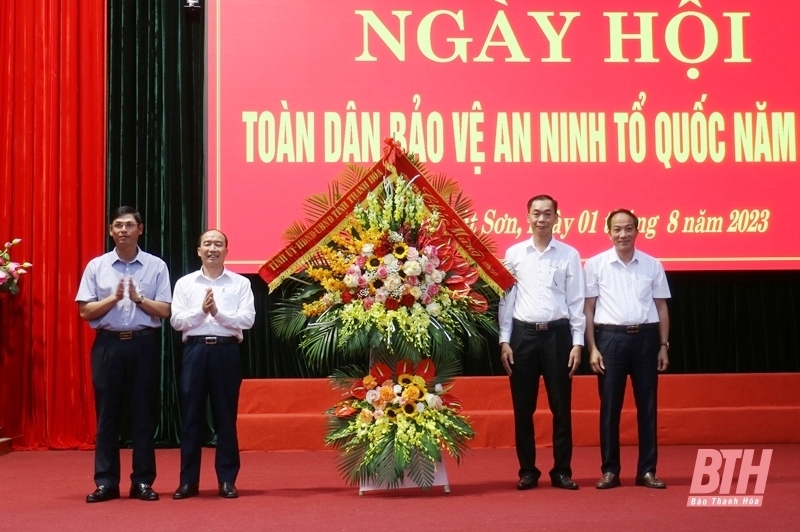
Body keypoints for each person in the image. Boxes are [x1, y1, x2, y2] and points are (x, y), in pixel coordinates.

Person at [76, 206, 172, 503]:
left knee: (143, 413)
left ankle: (142, 481)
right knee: (107, 416)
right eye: (117, 225)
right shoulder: (97, 266)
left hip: (143, 345)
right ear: (110, 230)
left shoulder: (156, 266)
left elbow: (166, 310)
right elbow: (84, 311)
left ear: (140, 229)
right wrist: (114, 298)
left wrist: (139, 299)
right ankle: (106, 482)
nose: (123, 230)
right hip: (108, 345)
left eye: (129, 225)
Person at [498, 195, 585, 491]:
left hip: (558, 336)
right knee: (523, 408)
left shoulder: (569, 254)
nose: (541, 219)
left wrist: (577, 343)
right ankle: (527, 471)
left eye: (548, 214)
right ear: (527, 216)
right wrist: (504, 340)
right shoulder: (514, 253)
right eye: (536, 213)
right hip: (523, 336)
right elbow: (506, 301)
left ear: (556, 218)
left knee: (561, 407)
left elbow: (576, 301)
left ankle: (562, 470)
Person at [583, 208, 671, 490]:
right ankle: (610, 470)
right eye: (617, 229)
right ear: (608, 232)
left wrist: (663, 346)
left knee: (648, 407)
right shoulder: (595, 265)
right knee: (610, 408)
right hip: (610, 340)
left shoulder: (652, 264)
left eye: (629, 228)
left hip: (646, 340)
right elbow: (588, 308)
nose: (623, 234)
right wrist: (592, 348)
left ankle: (647, 470)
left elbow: (661, 306)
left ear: (637, 231)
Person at [170, 229, 255, 499]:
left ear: (227, 251)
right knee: (191, 419)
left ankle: (227, 480)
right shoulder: (185, 283)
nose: (212, 248)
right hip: (194, 352)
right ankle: (188, 482)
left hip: (226, 353)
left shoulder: (240, 284)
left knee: (225, 419)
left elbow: (247, 320)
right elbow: (177, 321)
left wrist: (217, 313)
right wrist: (201, 312)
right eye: (207, 243)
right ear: (198, 250)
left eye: (218, 244)